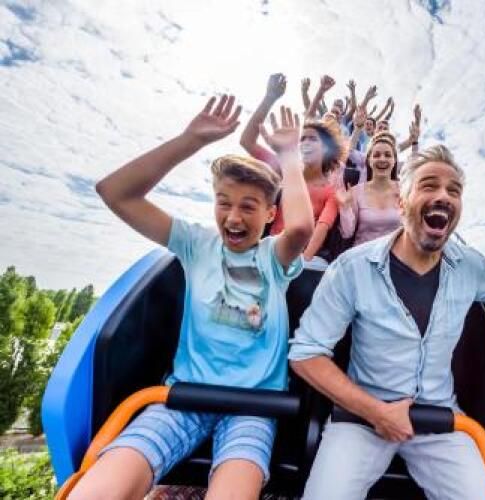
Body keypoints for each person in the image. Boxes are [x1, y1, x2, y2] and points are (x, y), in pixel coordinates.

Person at [69, 97, 314, 500]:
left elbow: (302, 228)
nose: (233, 217)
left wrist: (289, 156)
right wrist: (190, 140)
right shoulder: (196, 245)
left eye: (248, 207)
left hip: (253, 407)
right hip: (183, 398)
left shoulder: (272, 257)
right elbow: (115, 193)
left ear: (271, 215)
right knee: (98, 489)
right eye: (224, 203)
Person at [289, 145, 485, 499]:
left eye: (453, 190)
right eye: (429, 186)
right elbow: (305, 354)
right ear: (401, 204)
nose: (443, 196)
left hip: (440, 419)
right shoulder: (351, 268)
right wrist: (377, 413)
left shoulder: (470, 267)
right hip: (362, 420)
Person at [241, 74, 348, 262]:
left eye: (312, 139)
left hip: (296, 259)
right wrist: (269, 98)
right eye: (303, 138)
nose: (305, 143)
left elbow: (322, 227)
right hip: (266, 251)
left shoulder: (330, 192)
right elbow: (247, 141)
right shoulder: (287, 168)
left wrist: (301, 261)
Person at [337, 131, 401, 246]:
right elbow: (347, 233)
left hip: (394, 252)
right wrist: (345, 207)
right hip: (363, 252)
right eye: (376, 155)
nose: (382, 159)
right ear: (369, 161)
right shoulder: (355, 191)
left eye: (387, 155)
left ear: (394, 160)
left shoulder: (404, 190)